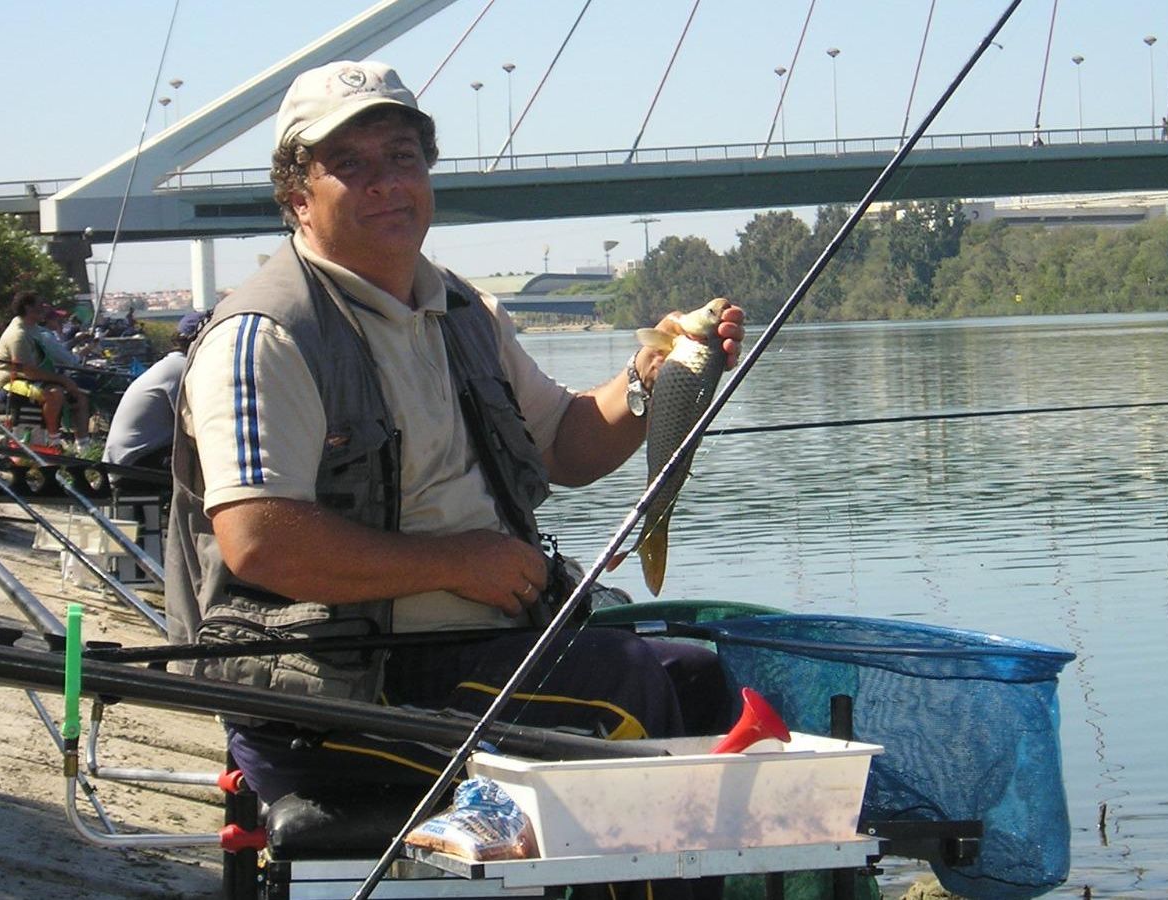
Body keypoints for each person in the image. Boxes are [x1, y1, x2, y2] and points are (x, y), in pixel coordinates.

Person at [165, 60, 746, 815]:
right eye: (351, 164)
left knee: (698, 680)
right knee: (624, 689)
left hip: (483, 656)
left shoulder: (463, 311)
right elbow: (259, 542)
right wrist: (456, 563)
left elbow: (566, 444)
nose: (385, 182)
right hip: (345, 691)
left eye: (402, 158)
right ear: (297, 195)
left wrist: (649, 379)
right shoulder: (265, 334)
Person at [103, 309, 210, 473]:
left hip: (123, 461)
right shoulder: (182, 370)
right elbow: (196, 426)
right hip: (135, 465)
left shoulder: (171, 365)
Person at [0, 290, 90, 446]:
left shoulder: (36, 330)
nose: (45, 309)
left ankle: (84, 446)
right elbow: (28, 371)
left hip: (33, 378)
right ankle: (53, 440)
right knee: (54, 394)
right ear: (28, 308)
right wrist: (62, 380)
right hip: (10, 382)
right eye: (40, 306)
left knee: (80, 397)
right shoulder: (18, 334)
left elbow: (55, 356)